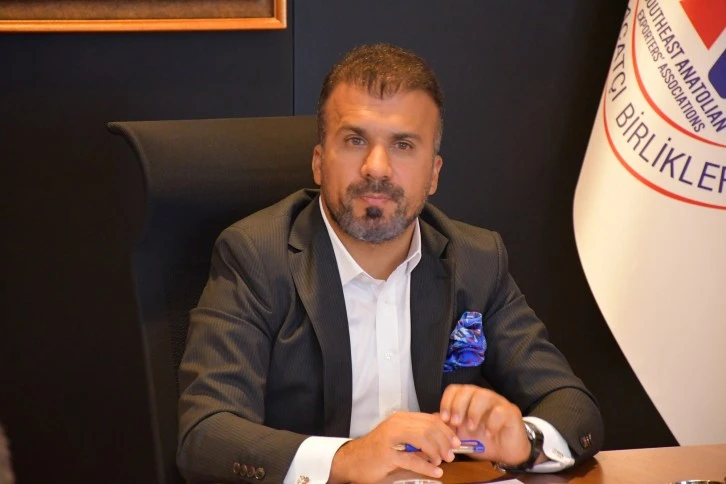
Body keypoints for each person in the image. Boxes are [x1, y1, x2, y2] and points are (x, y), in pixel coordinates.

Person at [177, 43, 603, 484]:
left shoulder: (475, 259)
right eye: (355, 140)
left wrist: (526, 441)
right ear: (319, 163)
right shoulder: (256, 256)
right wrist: (347, 459)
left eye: (402, 145)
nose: (376, 168)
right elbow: (205, 434)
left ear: (433, 173)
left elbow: (572, 405)